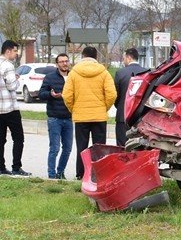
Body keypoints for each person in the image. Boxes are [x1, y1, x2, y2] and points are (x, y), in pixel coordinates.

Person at [63, 45, 117, 180]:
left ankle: (81, 174)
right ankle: (98, 175)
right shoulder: (103, 72)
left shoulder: (74, 73)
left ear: (82, 56)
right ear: (96, 57)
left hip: (81, 117)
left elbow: (67, 95)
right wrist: (104, 107)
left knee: (82, 147)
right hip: (99, 116)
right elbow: (112, 94)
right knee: (99, 147)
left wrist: (73, 109)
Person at [0, 40, 30, 176]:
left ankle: (0, 167)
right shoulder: (8, 66)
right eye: (15, 51)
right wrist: (16, 80)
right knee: (18, 138)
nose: (16, 54)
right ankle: (16, 167)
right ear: (8, 51)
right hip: (10, 108)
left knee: (0, 139)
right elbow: (12, 86)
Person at [38, 53, 73, 179]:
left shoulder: (73, 77)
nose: (64, 63)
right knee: (55, 148)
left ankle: (60, 172)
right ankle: (51, 175)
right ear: (57, 64)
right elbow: (41, 93)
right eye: (61, 61)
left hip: (69, 118)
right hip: (54, 118)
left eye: (66, 61)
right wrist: (51, 95)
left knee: (68, 148)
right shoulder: (50, 77)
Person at [114, 47, 147, 146]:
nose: (124, 61)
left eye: (124, 58)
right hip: (140, 117)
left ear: (128, 58)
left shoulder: (120, 73)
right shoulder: (146, 72)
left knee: (122, 146)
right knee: (139, 147)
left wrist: (119, 106)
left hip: (122, 116)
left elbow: (116, 95)